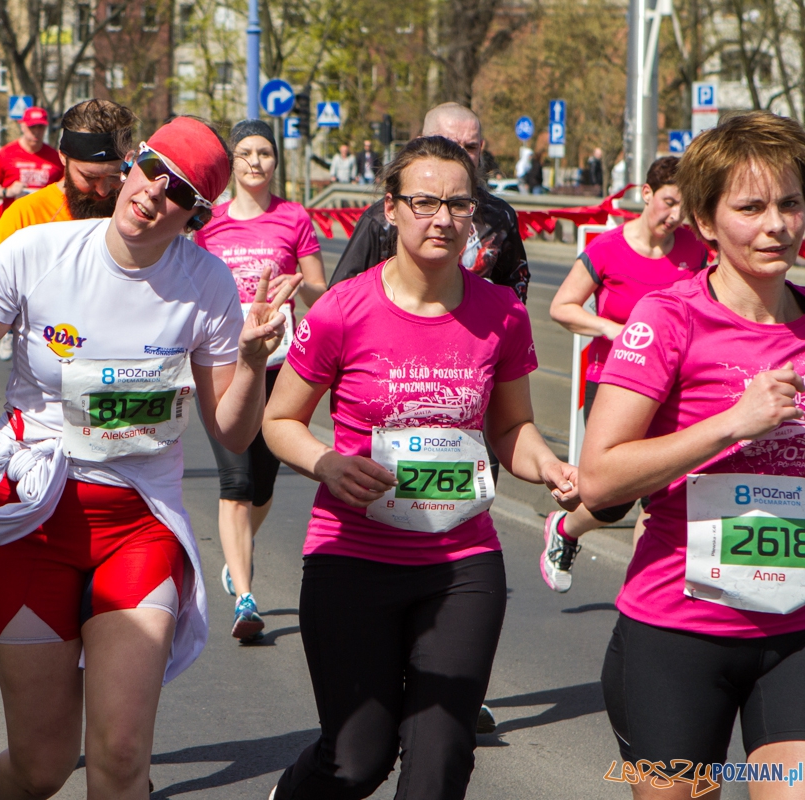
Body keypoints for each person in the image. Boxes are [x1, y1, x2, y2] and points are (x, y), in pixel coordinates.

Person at [0, 115, 297, 800]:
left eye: (177, 193)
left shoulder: (204, 285)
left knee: (119, 758)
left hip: (136, 528)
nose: (152, 194)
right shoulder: (35, 252)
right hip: (32, 522)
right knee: (42, 767)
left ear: (195, 214)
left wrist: (255, 362)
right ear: (131, 164)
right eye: (150, 170)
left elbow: (231, 434)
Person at [262, 135, 578, 800]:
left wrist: (548, 463)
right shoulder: (343, 309)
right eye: (426, 201)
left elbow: (512, 428)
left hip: (461, 563)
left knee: (440, 764)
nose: (443, 219)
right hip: (352, 558)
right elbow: (279, 421)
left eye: (458, 204)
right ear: (390, 210)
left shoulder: (502, 313)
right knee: (354, 761)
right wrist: (327, 463)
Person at [580, 109, 805, 800]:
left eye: (791, 203)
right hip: (677, 633)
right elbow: (599, 475)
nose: (777, 225)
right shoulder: (669, 318)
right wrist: (732, 424)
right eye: (752, 207)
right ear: (705, 222)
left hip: (794, 634)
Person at [543, 156, 710, 592]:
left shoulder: (694, 248)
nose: (675, 216)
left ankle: (642, 592)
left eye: (684, 207)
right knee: (615, 499)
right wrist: (614, 329)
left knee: (662, 493)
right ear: (647, 194)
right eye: (669, 202)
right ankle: (565, 530)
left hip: (676, 385)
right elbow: (561, 307)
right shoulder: (608, 248)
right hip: (615, 381)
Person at [194, 118, 326, 642]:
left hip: (280, 363)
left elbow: (320, 289)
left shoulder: (294, 218)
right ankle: (246, 600)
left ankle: (236, 550)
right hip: (222, 363)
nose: (255, 161)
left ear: (276, 162)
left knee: (265, 482)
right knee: (237, 482)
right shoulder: (208, 221)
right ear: (232, 161)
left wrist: (303, 290)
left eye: (264, 153)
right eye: (245, 152)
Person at [0, 99, 136, 363]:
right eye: (88, 177)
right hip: (47, 384)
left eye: (113, 177)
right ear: (63, 158)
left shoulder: (138, 210)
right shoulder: (25, 215)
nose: (102, 191)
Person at [331, 103, 531, 302]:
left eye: (470, 147)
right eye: (448, 145)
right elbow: (340, 296)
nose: (460, 156)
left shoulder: (499, 216)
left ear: (481, 148)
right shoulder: (383, 218)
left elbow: (514, 289)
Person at [0, 107, 63, 207]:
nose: (36, 131)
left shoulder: (56, 157)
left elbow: (67, 189)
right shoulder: (4, 154)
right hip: (15, 219)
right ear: (22, 126)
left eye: (40, 127)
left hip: (45, 219)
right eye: (32, 127)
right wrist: (7, 192)